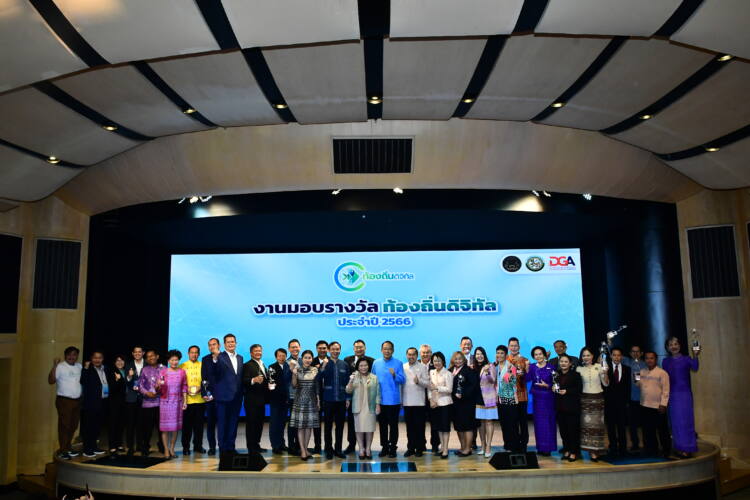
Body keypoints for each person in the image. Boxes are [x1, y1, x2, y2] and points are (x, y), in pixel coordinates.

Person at [663, 336, 699, 458]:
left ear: (680, 345)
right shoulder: (665, 361)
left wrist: (695, 355)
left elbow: (695, 367)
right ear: (667, 348)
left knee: (687, 421)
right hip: (673, 395)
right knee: (676, 422)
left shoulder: (686, 358)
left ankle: (688, 448)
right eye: (671, 345)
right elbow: (665, 380)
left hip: (685, 394)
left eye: (676, 344)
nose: (674, 346)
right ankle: (678, 447)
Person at [209, 334, 244, 455]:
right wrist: (215, 359)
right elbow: (213, 373)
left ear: (236, 343)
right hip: (223, 397)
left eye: (232, 342)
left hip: (237, 397)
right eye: (228, 342)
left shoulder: (240, 358)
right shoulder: (219, 356)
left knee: (233, 424)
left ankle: (231, 447)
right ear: (224, 344)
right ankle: (223, 449)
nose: (230, 344)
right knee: (222, 424)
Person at [371, 340, 406, 457]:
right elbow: (372, 379)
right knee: (382, 426)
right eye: (385, 348)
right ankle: (385, 447)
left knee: (393, 426)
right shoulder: (376, 363)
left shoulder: (398, 363)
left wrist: (395, 375)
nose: (387, 351)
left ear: (393, 350)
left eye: (389, 349)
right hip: (380, 400)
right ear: (381, 350)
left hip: (393, 400)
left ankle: (393, 448)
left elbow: (403, 380)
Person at [576, 346, 609, 462]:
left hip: (598, 399)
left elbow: (606, 384)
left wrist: (605, 373)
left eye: (588, 355)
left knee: (597, 426)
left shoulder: (599, 367)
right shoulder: (578, 369)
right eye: (584, 355)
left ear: (592, 356)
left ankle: (597, 449)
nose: (586, 357)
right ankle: (591, 452)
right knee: (586, 427)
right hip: (585, 400)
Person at [48, 346, 82, 460]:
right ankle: (63, 450)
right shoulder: (60, 366)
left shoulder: (79, 366)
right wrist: (54, 366)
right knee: (64, 425)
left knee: (73, 425)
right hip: (64, 401)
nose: (72, 357)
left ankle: (68, 447)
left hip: (77, 401)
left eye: (74, 355)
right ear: (65, 355)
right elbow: (51, 381)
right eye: (69, 354)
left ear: (77, 356)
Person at [319, 341, 350, 459]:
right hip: (328, 400)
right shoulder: (324, 363)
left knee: (340, 426)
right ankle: (328, 450)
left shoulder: (344, 364)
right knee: (327, 426)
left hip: (341, 400)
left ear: (340, 350)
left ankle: (338, 449)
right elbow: (318, 379)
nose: (335, 351)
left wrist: (348, 398)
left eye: (337, 349)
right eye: (333, 349)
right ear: (328, 350)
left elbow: (348, 382)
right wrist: (323, 367)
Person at [343, 339, 374, 454]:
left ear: (365, 348)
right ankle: (351, 445)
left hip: (367, 398)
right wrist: (347, 397)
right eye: (356, 347)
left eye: (361, 347)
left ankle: (366, 447)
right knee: (352, 422)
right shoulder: (347, 360)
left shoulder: (371, 361)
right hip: (352, 397)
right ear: (353, 349)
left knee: (366, 422)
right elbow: (346, 379)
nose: (359, 349)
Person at [345, 358, 381, 459]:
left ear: (368, 366)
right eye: (361, 366)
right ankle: (361, 449)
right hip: (358, 407)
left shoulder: (374, 377)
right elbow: (348, 390)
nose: (363, 367)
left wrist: (378, 404)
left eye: (365, 365)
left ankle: (368, 448)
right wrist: (351, 380)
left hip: (370, 407)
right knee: (359, 429)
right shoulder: (354, 376)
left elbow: (378, 392)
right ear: (358, 367)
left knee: (370, 429)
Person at [638, 351, 671, 458]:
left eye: (651, 358)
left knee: (662, 431)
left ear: (656, 359)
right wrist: (636, 377)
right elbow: (638, 384)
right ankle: (651, 450)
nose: (649, 360)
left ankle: (666, 450)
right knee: (648, 431)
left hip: (658, 407)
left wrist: (663, 404)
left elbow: (666, 390)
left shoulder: (662, 373)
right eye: (647, 358)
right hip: (644, 405)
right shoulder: (642, 371)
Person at [290, 350, 320, 461]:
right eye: (305, 358)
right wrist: (294, 374)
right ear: (302, 359)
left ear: (312, 359)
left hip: (312, 401)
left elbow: (317, 386)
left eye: (309, 358)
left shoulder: (315, 370)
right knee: (301, 427)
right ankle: (302, 450)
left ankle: (306, 449)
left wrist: (318, 400)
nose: (307, 360)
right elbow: (294, 385)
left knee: (309, 426)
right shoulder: (297, 369)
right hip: (300, 401)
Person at [528, 346, 557, 456]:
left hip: (549, 399)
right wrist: (525, 369)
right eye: (536, 354)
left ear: (544, 355)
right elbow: (526, 378)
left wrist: (547, 385)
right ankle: (540, 447)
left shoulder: (551, 367)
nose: (538, 356)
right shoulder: (532, 367)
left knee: (549, 423)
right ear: (533, 356)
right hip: (537, 399)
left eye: (540, 354)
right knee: (539, 424)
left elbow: (556, 383)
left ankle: (548, 448)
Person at [159, 350, 188, 458]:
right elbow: (158, 388)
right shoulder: (163, 372)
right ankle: (166, 449)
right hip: (165, 403)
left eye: (176, 360)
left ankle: (172, 448)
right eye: (172, 360)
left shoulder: (182, 372)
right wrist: (158, 385)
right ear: (168, 360)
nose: (174, 362)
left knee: (175, 428)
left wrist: (185, 401)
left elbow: (184, 387)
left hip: (177, 403)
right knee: (165, 428)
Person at [80, 351, 108, 458]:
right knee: (88, 426)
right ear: (91, 359)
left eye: (99, 358)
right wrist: (86, 368)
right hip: (90, 402)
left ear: (102, 359)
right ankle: (87, 449)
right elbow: (83, 381)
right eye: (95, 358)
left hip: (102, 401)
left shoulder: (105, 369)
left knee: (97, 426)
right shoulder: (88, 369)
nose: (97, 360)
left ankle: (94, 446)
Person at [554, 354, 582, 462]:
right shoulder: (556, 374)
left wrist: (567, 391)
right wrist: (553, 388)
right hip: (560, 407)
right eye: (561, 361)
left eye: (566, 362)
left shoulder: (576, 375)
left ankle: (574, 452)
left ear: (570, 364)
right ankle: (567, 449)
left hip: (572, 408)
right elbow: (555, 387)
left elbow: (579, 389)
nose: (563, 363)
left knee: (573, 431)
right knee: (563, 431)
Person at [402, 346, 429, 457]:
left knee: (419, 427)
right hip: (407, 402)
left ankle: (419, 448)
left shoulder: (422, 367)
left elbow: (427, 383)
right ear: (406, 355)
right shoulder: (403, 367)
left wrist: (419, 381)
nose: (411, 356)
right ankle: (410, 448)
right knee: (409, 427)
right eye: (409, 354)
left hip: (419, 402)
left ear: (417, 356)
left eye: (413, 354)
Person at [604, 347, 631, 457]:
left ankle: (623, 448)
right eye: (614, 355)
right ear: (611, 356)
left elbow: (628, 387)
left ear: (622, 357)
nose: (616, 357)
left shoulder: (627, 369)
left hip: (622, 404)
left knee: (622, 427)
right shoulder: (606, 369)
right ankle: (613, 447)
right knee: (610, 427)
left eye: (618, 355)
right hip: (609, 403)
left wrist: (627, 401)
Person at [450, 351, 478, 456]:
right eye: (456, 359)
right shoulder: (450, 370)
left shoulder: (469, 370)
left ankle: (468, 449)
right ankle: (462, 447)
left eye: (460, 359)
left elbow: (473, 386)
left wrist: (463, 394)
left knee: (467, 427)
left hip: (467, 403)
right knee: (459, 427)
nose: (458, 361)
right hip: (455, 404)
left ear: (464, 360)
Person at [242, 344, 269, 453]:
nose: (258, 353)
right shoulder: (247, 365)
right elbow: (243, 380)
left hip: (261, 400)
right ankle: (251, 447)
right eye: (256, 351)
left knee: (259, 424)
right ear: (251, 353)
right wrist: (253, 380)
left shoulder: (262, 364)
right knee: (252, 424)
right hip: (251, 401)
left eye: (260, 351)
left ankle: (256, 445)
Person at [427, 352, 453, 459]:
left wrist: (437, 388)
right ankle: (442, 447)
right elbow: (429, 388)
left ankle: (446, 449)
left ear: (443, 361)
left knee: (445, 428)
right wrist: (430, 400)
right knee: (438, 428)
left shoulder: (448, 373)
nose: (436, 363)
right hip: (434, 404)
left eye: (438, 360)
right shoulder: (431, 372)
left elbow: (449, 389)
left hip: (445, 404)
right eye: (434, 361)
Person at [181, 345, 206, 455]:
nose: (194, 354)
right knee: (187, 426)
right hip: (187, 401)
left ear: (199, 354)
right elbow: (180, 383)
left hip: (200, 400)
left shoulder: (203, 365)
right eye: (192, 352)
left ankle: (198, 446)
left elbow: (206, 380)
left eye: (196, 352)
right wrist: (186, 389)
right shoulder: (182, 366)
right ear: (188, 353)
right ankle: (185, 447)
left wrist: (201, 387)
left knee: (199, 426)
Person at [495, 345, 520, 452]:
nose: (499, 355)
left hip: (510, 398)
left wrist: (509, 375)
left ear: (506, 355)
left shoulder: (511, 367)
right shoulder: (495, 367)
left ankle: (514, 446)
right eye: (498, 353)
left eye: (502, 353)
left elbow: (513, 383)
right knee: (504, 424)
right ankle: (507, 444)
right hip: (500, 399)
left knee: (511, 424)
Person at [137, 350, 162, 456]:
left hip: (161, 403)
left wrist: (160, 389)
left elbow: (167, 384)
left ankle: (162, 446)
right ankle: (145, 447)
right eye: (148, 356)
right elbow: (140, 385)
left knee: (161, 428)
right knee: (147, 428)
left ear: (157, 356)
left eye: (152, 355)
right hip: (147, 404)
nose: (150, 357)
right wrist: (147, 393)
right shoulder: (144, 369)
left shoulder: (164, 369)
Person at [268, 348, 292, 454]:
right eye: (279, 356)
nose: (282, 357)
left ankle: (282, 444)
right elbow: (271, 384)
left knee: (282, 423)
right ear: (276, 357)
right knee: (274, 424)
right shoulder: (272, 367)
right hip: (275, 400)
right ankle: (275, 445)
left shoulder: (288, 366)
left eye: (283, 355)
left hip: (285, 400)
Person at [507, 337, 530, 451]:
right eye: (511, 346)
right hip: (509, 396)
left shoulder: (525, 360)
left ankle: (524, 444)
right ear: (508, 347)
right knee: (512, 422)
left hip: (522, 396)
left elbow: (529, 378)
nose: (514, 348)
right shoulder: (505, 360)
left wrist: (524, 374)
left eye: (515, 346)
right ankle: (514, 443)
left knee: (523, 422)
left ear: (519, 347)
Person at [474, 347, 497, 458]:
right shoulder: (473, 367)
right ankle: (482, 446)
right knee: (481, 423)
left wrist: (487, 372)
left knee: (489, 422)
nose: (479, 356)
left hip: (489, 398)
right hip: (478, 398)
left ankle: (488, 446)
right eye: (477, 354)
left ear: (484, 355)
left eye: (481, 353)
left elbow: (493, 380)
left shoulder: (490, 366)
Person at [622, 345, 644, 452]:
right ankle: (635, 444)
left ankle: (648, 444)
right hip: (631, 399)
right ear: (630, 353)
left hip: (644, 399)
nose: (635, 353)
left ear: (641, 353)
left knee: (645, 424)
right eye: (633, 351)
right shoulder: (626, 361)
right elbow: (611, 352)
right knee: (632, 424)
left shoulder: (645, 364)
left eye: (637, 351)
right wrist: (609, 341)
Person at [123, 346, 145, 456]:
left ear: (143, 353)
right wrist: (129, 376)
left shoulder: (147, 365)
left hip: (144, 398)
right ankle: (130, 447)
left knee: (141, 423)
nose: (137, 353)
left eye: (139, 352)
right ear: (132, 353)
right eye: (135, 352)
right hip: (131, 398)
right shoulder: (128, 365)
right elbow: (126, 382)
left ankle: (140, 445)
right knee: (130, 424)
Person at [201, 337, 220, 455]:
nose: (212, 346)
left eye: (214, 344)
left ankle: (224, 447)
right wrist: (205, 393)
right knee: (210, 424)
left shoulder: (225, 357)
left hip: (223, 397)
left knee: (223, 424)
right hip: (210, 397)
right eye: (210, 345)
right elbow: (204, 378)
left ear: (219, 345)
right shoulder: (205, 359)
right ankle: (212, 447)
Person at [419, 344, 440, 454]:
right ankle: (421, 444)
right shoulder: (416, 365)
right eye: (423, 352)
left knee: (435, 423)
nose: (425, 354)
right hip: (419, 399)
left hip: (433, 399)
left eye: (428, 352)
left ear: (431, 353)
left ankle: (435, 445)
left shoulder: (436, 365)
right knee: (420, 424)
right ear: (420, 354)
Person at [310, 340, 329, 454]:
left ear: (327, 349)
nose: (322, 350)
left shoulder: (331, 360)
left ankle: (328, 446)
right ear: (316, 349)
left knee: (328, 422)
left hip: (329, 396)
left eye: (324, 348)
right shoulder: (311, 361)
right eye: (320, 348)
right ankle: (317, 446)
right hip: (315, 395)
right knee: (316, 422)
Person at [106, 355, 128, 453]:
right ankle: (112, 445)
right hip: (114, 401)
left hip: (124, 401)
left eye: (122, 360)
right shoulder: (111, 371)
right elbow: (112, 388)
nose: (120, 362)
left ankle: (119, 444)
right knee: (113, 423)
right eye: (117, 360)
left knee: (121, 424)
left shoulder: (126, 371)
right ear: (114, 362)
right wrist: (118, 380)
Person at [286, 339, 301, 455]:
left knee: (300, 423)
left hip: (303, 397)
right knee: (292, 423)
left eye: (296, 347)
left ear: (300, 348)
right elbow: (285, 380)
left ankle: (299, 445)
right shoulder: (286, 362)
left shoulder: (303, 360)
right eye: (292, 347)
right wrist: (290, 370)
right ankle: (291, 447)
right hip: (292, 397)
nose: (295, 349)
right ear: (289, 349)